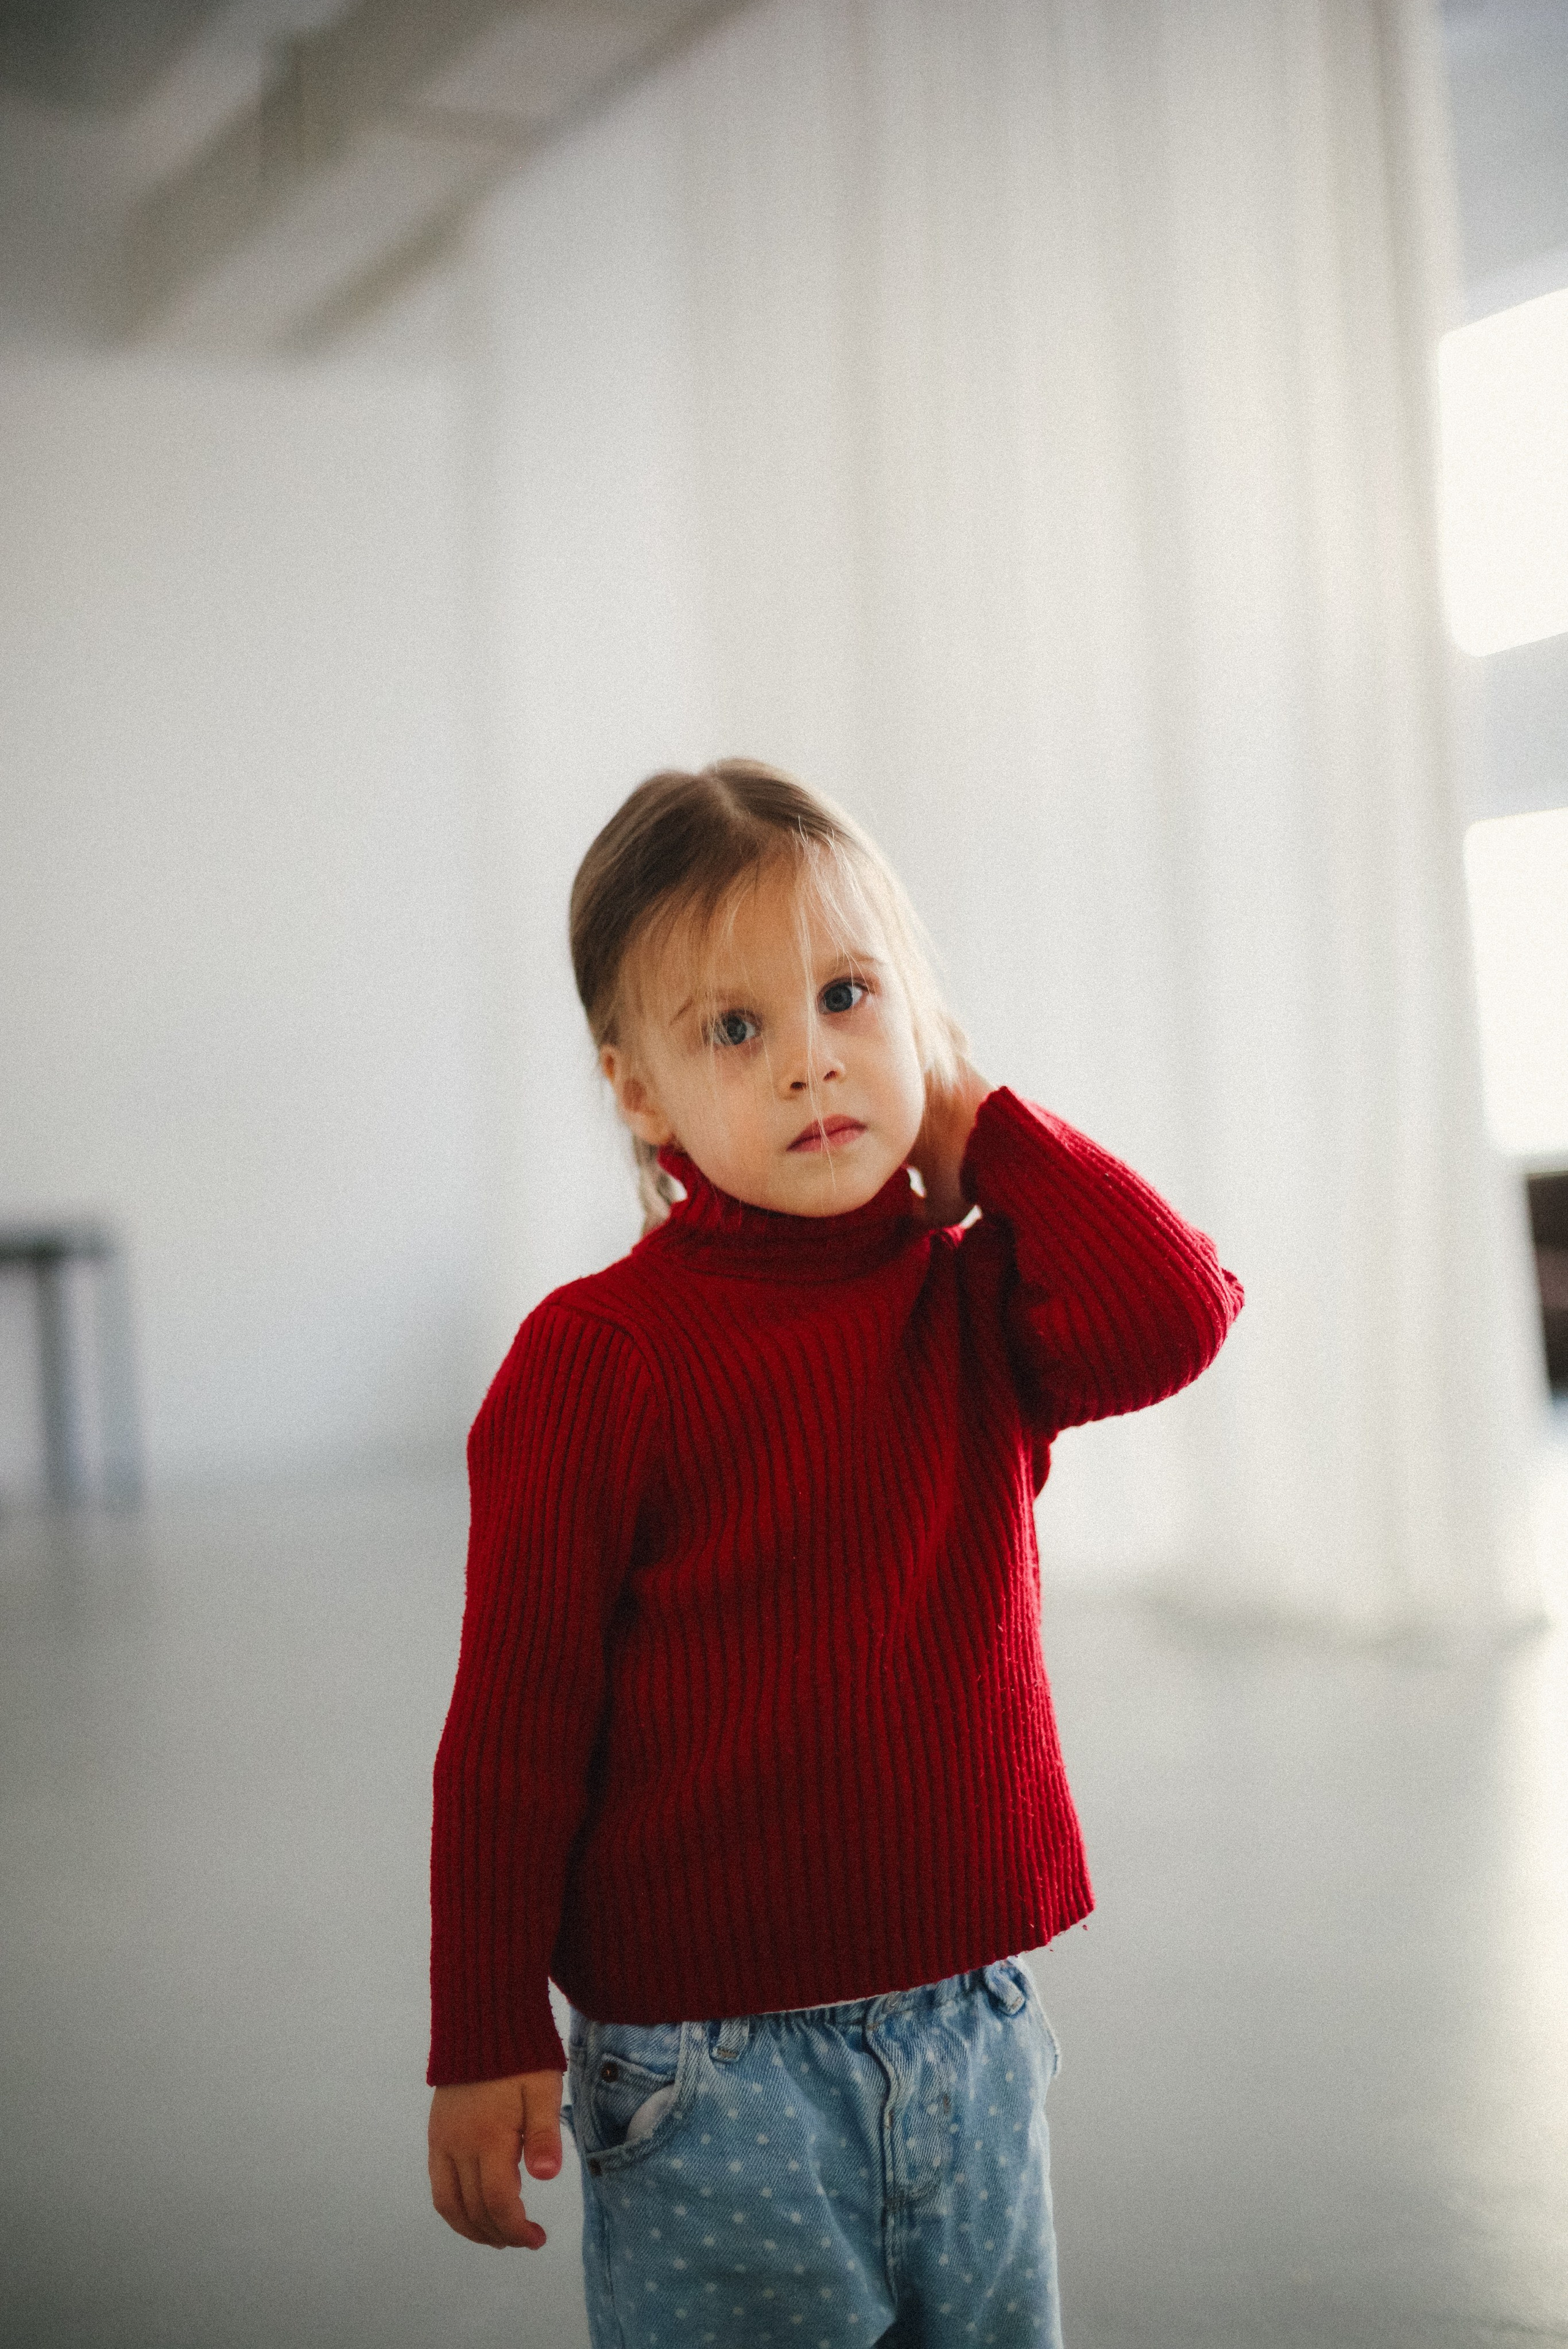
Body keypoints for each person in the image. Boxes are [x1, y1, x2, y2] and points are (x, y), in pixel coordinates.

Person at [426, 760, 1243, 2347]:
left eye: (849, 996)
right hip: (710, 2064)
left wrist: (978, 1118)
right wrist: (482, 2028)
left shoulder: (970, 1306)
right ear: (640, 1090)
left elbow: (1174, 1310)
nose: (811, 1062)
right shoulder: (602, 1359)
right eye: (736, 1029)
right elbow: (514, 1733)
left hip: (974, 2018)